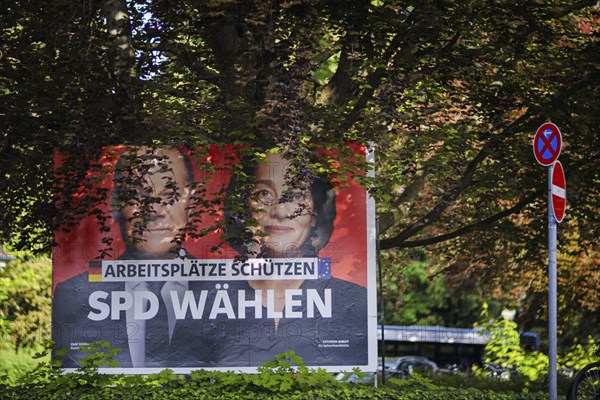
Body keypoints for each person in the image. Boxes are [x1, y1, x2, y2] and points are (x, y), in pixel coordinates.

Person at [171, 152, 368, 368]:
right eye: (264, 193)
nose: (280, 211)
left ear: (315, 215)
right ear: (244, 208)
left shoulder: (355, 302)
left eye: (296, 196)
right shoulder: (203, 300)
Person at [52, 146, 196, 368]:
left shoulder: (235, 292)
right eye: (138, 195)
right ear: (117, 204)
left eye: (169, 195)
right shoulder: (73, 295)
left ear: (192, 203)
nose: (154, 210)